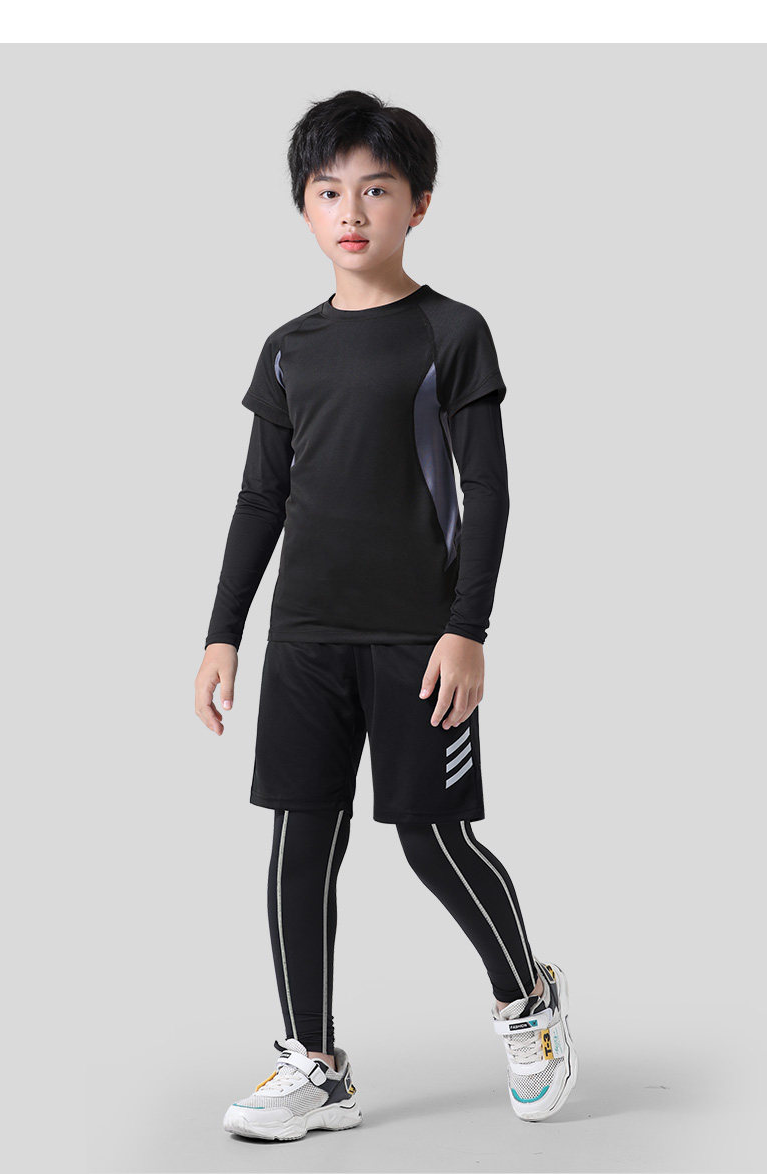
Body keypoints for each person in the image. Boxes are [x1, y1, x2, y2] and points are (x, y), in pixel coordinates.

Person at [194, 89, 577, 1142]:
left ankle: (527, 1001)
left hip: (420, 639)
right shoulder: (288, 348)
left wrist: (468, 628)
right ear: (304, 208)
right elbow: (260, 499)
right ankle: (314, 1065)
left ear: (419, 203)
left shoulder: (452, 332)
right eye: (329, 192)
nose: (352, 211)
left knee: (432, 839)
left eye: (376, 188)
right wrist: (224, 633)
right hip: (306, 638)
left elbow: (488, 491)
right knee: (299, 844)